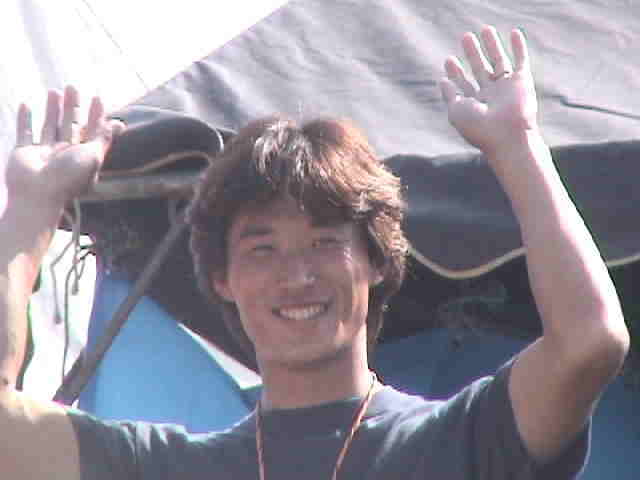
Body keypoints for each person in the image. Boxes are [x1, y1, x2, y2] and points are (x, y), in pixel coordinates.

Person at [0, 26, 629, 479]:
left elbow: (589, 341)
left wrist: (518, 144)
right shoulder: (174, 466)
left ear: (376, 262)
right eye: (261, 248)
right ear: (222, 278)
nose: (296, 274)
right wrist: (31, 207)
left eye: (326, 242)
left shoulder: (459, 440)